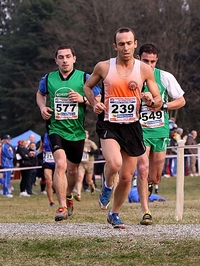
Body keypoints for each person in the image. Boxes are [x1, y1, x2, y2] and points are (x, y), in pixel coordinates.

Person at [83, 27, 162, 228]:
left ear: (135, 44)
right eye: (121, 44)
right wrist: (94, 103)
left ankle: (114, 213)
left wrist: (150, 100)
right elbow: (87, 87)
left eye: (129, 43)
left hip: (132, 126)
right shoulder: (103, 67)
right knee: (115, 163)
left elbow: (158, 99)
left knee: (127, 177)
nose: (125, 47)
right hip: (109, 124)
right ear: (115, 46)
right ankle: (107, 186)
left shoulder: (144, 69)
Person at [36, 45, 101, 221]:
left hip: (77, 131)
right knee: (60, 164)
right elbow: (40, 94)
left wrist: (83, 99)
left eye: (68, 56)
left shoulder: (85, 78)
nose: (64, 60)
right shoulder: (48, 78)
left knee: (73, 171)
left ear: (74, 58)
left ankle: (69, 195)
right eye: (61, 57)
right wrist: (43, 107)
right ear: (56, 60)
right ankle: (62, 206)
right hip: (56, 128)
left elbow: (98, 100)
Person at [135, 43, 185, 225]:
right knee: (142, 168)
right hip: (139, 130)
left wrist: (162, 105)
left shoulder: (164, 77)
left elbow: (181, 100)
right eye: (145, 60)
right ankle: (146, 211)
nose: (149, 65)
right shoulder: (130, 76)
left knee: (155, 176)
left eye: (153, 62)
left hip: (160, 130)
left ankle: (149, 186)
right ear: (138, 58)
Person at [74, 130, 98, 201]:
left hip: (89, 164)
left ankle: (92, 186)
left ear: (87, 136)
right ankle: (78, 195)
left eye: (85, 135)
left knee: (88, 181)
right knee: (80, 178)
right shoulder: (78, 143)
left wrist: (88, 151)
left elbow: (97, 151)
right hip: (81, 164)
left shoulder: (90, 143)